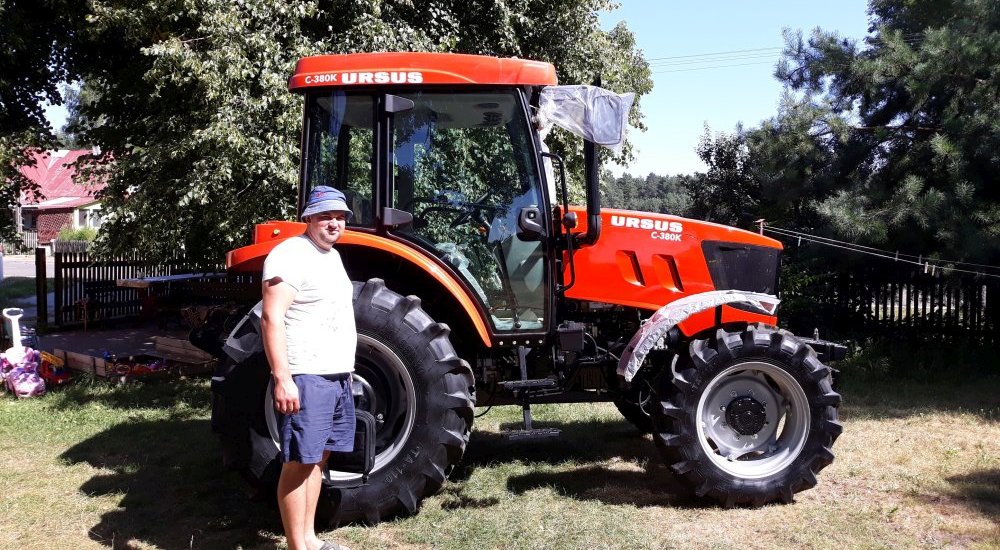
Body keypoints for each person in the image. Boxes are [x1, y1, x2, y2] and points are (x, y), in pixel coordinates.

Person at [261, 186, 357, 550]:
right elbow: (271, 318)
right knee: (299, 461)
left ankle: (310, 539)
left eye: (340, 216)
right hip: (307, 376)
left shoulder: (332, 256)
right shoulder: (289, 255)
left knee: (318, 459)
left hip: (336, 375)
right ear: (308, 218)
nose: (334, 223)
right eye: (325, 216)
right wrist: (283, 378)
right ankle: (296, 546)